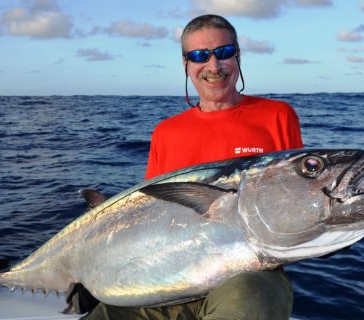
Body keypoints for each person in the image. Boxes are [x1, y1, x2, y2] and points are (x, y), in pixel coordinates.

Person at [80, 14, 303, 320]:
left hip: (249, 275)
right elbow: (149, 215)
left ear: (238, 56)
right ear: (185, 64)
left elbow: (298, 200)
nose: (214, 66)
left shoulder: (278, 116)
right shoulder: (166, 132)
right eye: (200, 56)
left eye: (224, 52)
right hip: (167, 277)